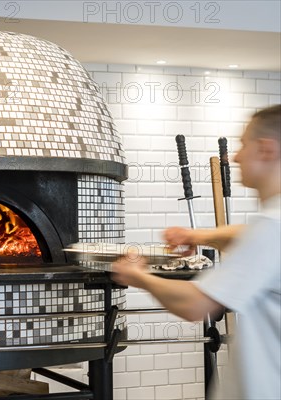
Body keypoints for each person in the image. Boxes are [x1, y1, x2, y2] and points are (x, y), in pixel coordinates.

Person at [111, 104, 281, 400]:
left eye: (243, 145)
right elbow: (249, 237)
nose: (234, 157)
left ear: (266, 150)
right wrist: (197, 235)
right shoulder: (271, 225)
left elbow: (195, 305)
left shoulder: (270, 226)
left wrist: (138, 276)